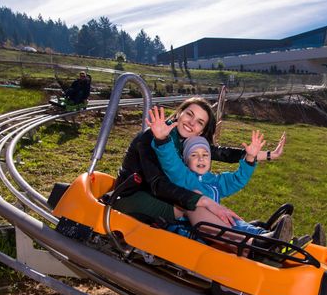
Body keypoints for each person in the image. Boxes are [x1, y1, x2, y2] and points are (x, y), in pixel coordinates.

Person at [113, 98, 289, 243]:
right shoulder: (153, 137)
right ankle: (250, 243)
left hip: (161, 196)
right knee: (191, 201)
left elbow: (221, 153)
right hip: (132, 196)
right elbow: (157, 184)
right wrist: (202, 200)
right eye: (189, 114)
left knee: (197, 198)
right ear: (179, 112)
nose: (191, 123)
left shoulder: (188, 142)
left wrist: (266, 155)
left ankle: (254, 234)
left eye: (199, 122)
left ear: (202, 130)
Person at [150, 120, 288, 239]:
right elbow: (170, 162)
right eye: (194, 155)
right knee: (233, 223)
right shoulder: (183, 177)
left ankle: (264, 234)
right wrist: (162, 139)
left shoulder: (216, 181)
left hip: (218, 227)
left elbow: (237, 179)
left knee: (233, 221)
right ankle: (262, 237)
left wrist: (250, 157)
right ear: (186, 161)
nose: (201, 158)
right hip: (196, 228)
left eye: (205, 154)